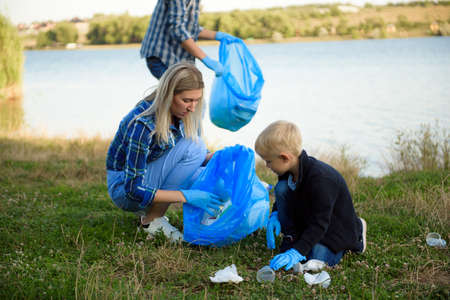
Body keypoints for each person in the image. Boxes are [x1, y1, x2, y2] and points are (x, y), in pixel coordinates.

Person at [106, 62, 226, 242]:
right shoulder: (142, 125)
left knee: (209, 177)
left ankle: (208, 223)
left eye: (196, 100)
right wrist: (186, 196)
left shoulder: (182, 114)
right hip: (124, 189)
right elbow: (134, 189)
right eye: (187, 101)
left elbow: (186, 159)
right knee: (196, 146)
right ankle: (152, 221)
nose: (193, 107)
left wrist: (216, 159)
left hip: (151, 174)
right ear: (169, 95)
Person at [254, 120, 367, 271]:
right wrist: (275, 214)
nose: (267, 166)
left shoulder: (321, 180)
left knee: (315, 260)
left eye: (268, 161)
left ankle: (357, 232)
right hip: (310, 219)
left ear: (285, 157)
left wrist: (297, 252)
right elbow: (283, 197)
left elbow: (320, 224)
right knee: (281, 188)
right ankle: (292, 235)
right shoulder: (287, 171)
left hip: (332, 227)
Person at [140, 0, 240, 79]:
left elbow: (190, 29)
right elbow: (177, 29)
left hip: (178, 58)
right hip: (162, 57)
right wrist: (207, 60)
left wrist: (218, 36)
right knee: (185, 95)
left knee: (192, 98)